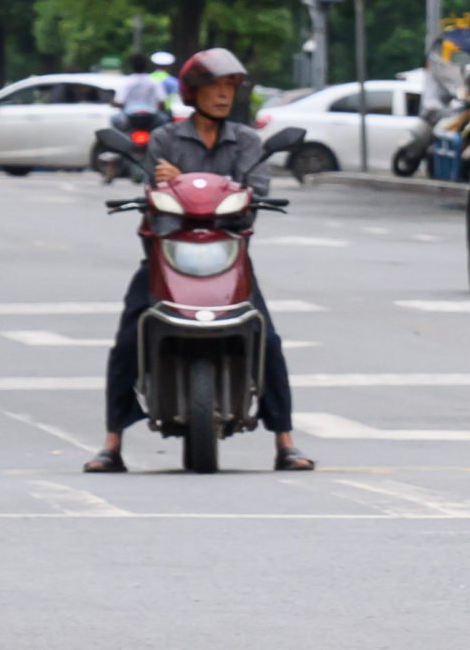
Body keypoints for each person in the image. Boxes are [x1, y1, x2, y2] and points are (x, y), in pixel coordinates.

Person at [91, 47, 310, 473]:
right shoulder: (165, 139)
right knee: (127, 340)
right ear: (193, 92)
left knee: (268, 338)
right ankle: (111, 443)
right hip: (168, 254)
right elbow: (154, 187)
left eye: (229, 86)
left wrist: (198, 184)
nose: (223, 95)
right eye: (214, 86)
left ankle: (285, 442)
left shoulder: (246, 141)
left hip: (227, 258)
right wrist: (164, 183)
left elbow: (257, 189)